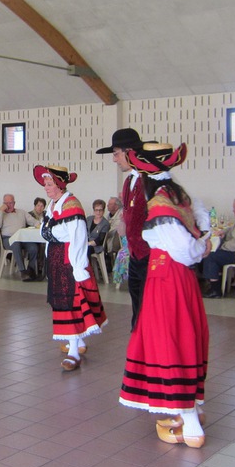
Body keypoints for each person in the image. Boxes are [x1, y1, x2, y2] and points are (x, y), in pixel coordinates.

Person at [119, 142, 211, 449]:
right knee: (184, 336)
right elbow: (200, 226)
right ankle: (191, 409)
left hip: (167, 277)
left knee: (170, 341)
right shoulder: (178, 196)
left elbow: (185, 249)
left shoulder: (159, 202)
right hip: (178, 277)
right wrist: (204, 242)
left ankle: (190, 423)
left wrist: (201, 247)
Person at [34, 164, 106, 371]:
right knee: (62, 301)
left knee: (70, 302)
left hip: (69, 260)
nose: (46, 187)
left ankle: (74, 351)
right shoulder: (54, 204)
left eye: (49, 184)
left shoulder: (72, 205)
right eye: (45, 184)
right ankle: (77, 341)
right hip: (57, 258)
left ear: (59, 184)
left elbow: (78, 237)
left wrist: (78, 266)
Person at [96, 128, 148, 330]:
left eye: (116, 153)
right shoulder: (128, 182)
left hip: (149, 255)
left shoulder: (149, 180)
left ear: (130, 152)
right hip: (135, 254)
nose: (114, 159)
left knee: (148, 307)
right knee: (137, 304)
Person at [0, 194, 40, 281]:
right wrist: (1, 211)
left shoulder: (21, 212)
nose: (8, 205)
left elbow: (33, 221)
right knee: (15, 243)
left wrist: (39, 225)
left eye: (10, 203)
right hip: (8, 239)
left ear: (14, 203)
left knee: (34, 247)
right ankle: (22, 271)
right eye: (6, 203)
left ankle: (30, 269)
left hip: (22, 238)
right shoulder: (1, 214)